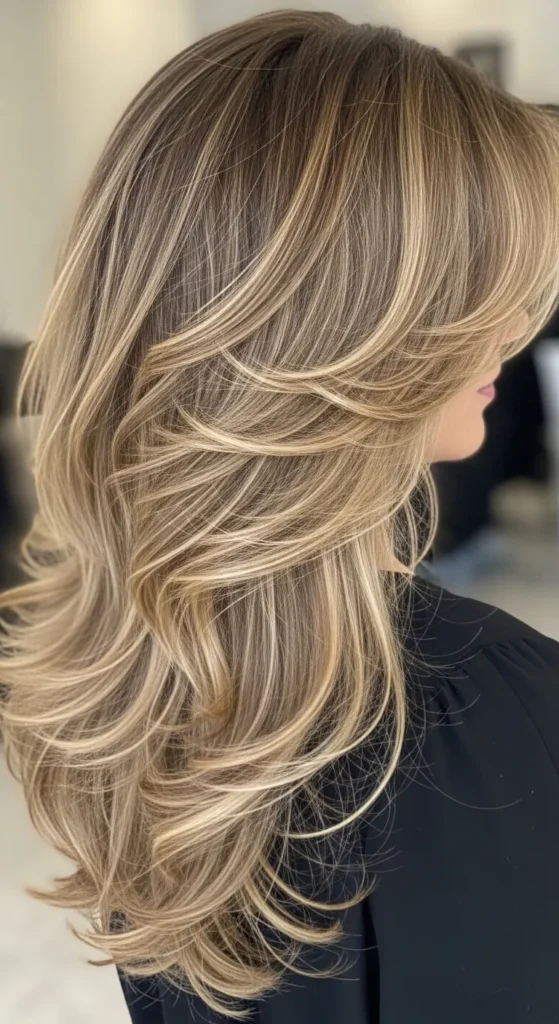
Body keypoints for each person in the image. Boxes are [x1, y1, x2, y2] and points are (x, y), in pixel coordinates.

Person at [2, 12, 559, 1023]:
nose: (514, 328)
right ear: (355, 329)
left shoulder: (132, 670)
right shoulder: (501, 715)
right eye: (478, 287)